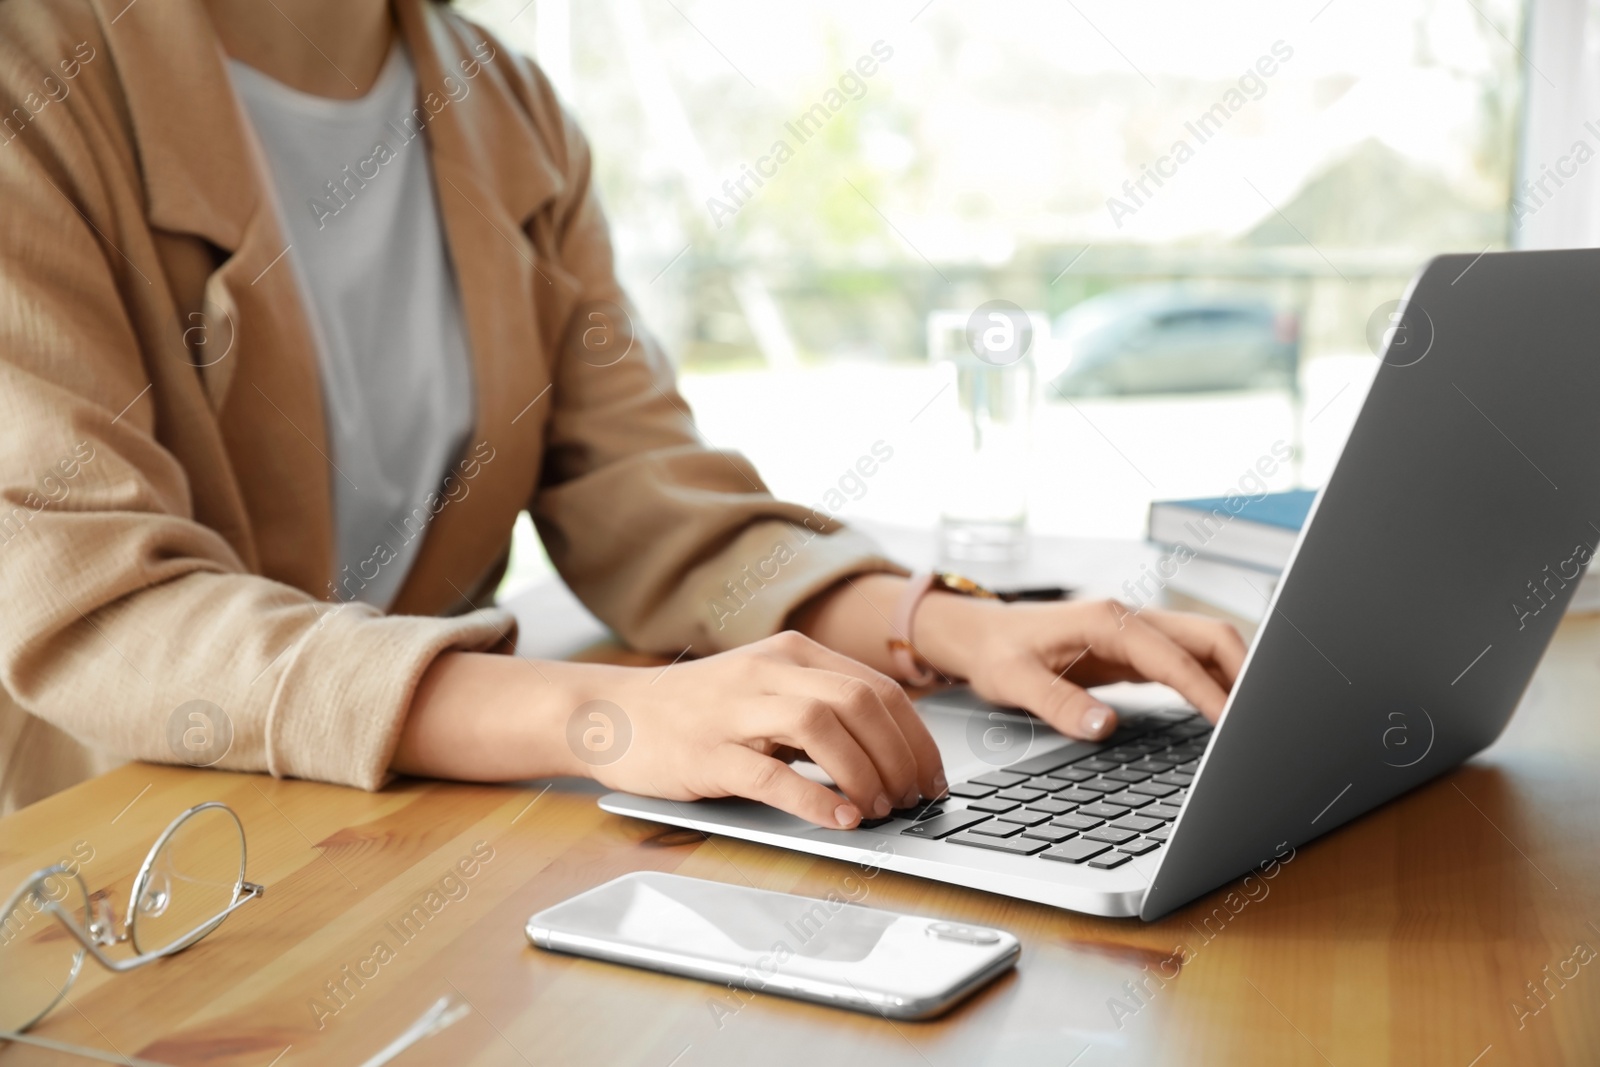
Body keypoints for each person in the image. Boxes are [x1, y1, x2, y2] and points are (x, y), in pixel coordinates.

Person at [0, 0, 1246, 823]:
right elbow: (103, 606)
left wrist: (945, 625)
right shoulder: (34, 72)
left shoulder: (506, 102)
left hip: (386, 818)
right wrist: (600, 718)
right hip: (129, 847)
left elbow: (641, 486)